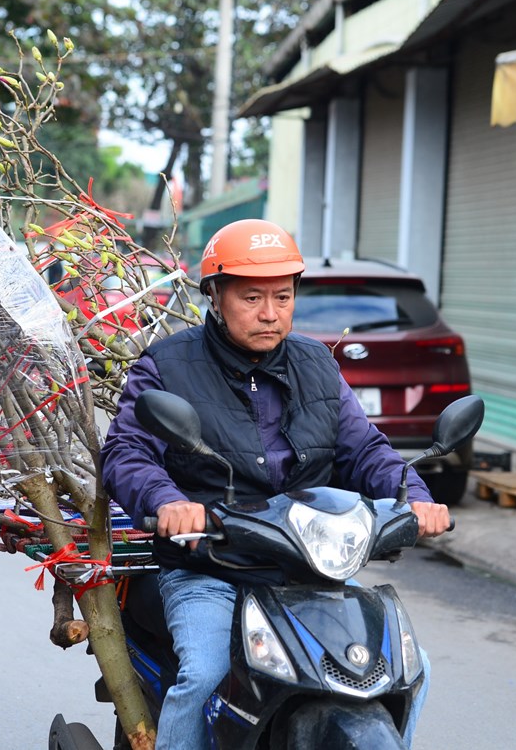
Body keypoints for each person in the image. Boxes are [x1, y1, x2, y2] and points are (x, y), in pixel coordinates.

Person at [100, 218, 451, 750]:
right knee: (206, 672)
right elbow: (128, 451)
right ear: (216, 296)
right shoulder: (168, 365)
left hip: (308, 570)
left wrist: (417, 499)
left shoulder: (316, 364)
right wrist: (168, 501)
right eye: (252, 297)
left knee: (409, 665)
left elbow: (364, 449)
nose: (270, 313)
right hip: (210, 567)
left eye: (283, 296)